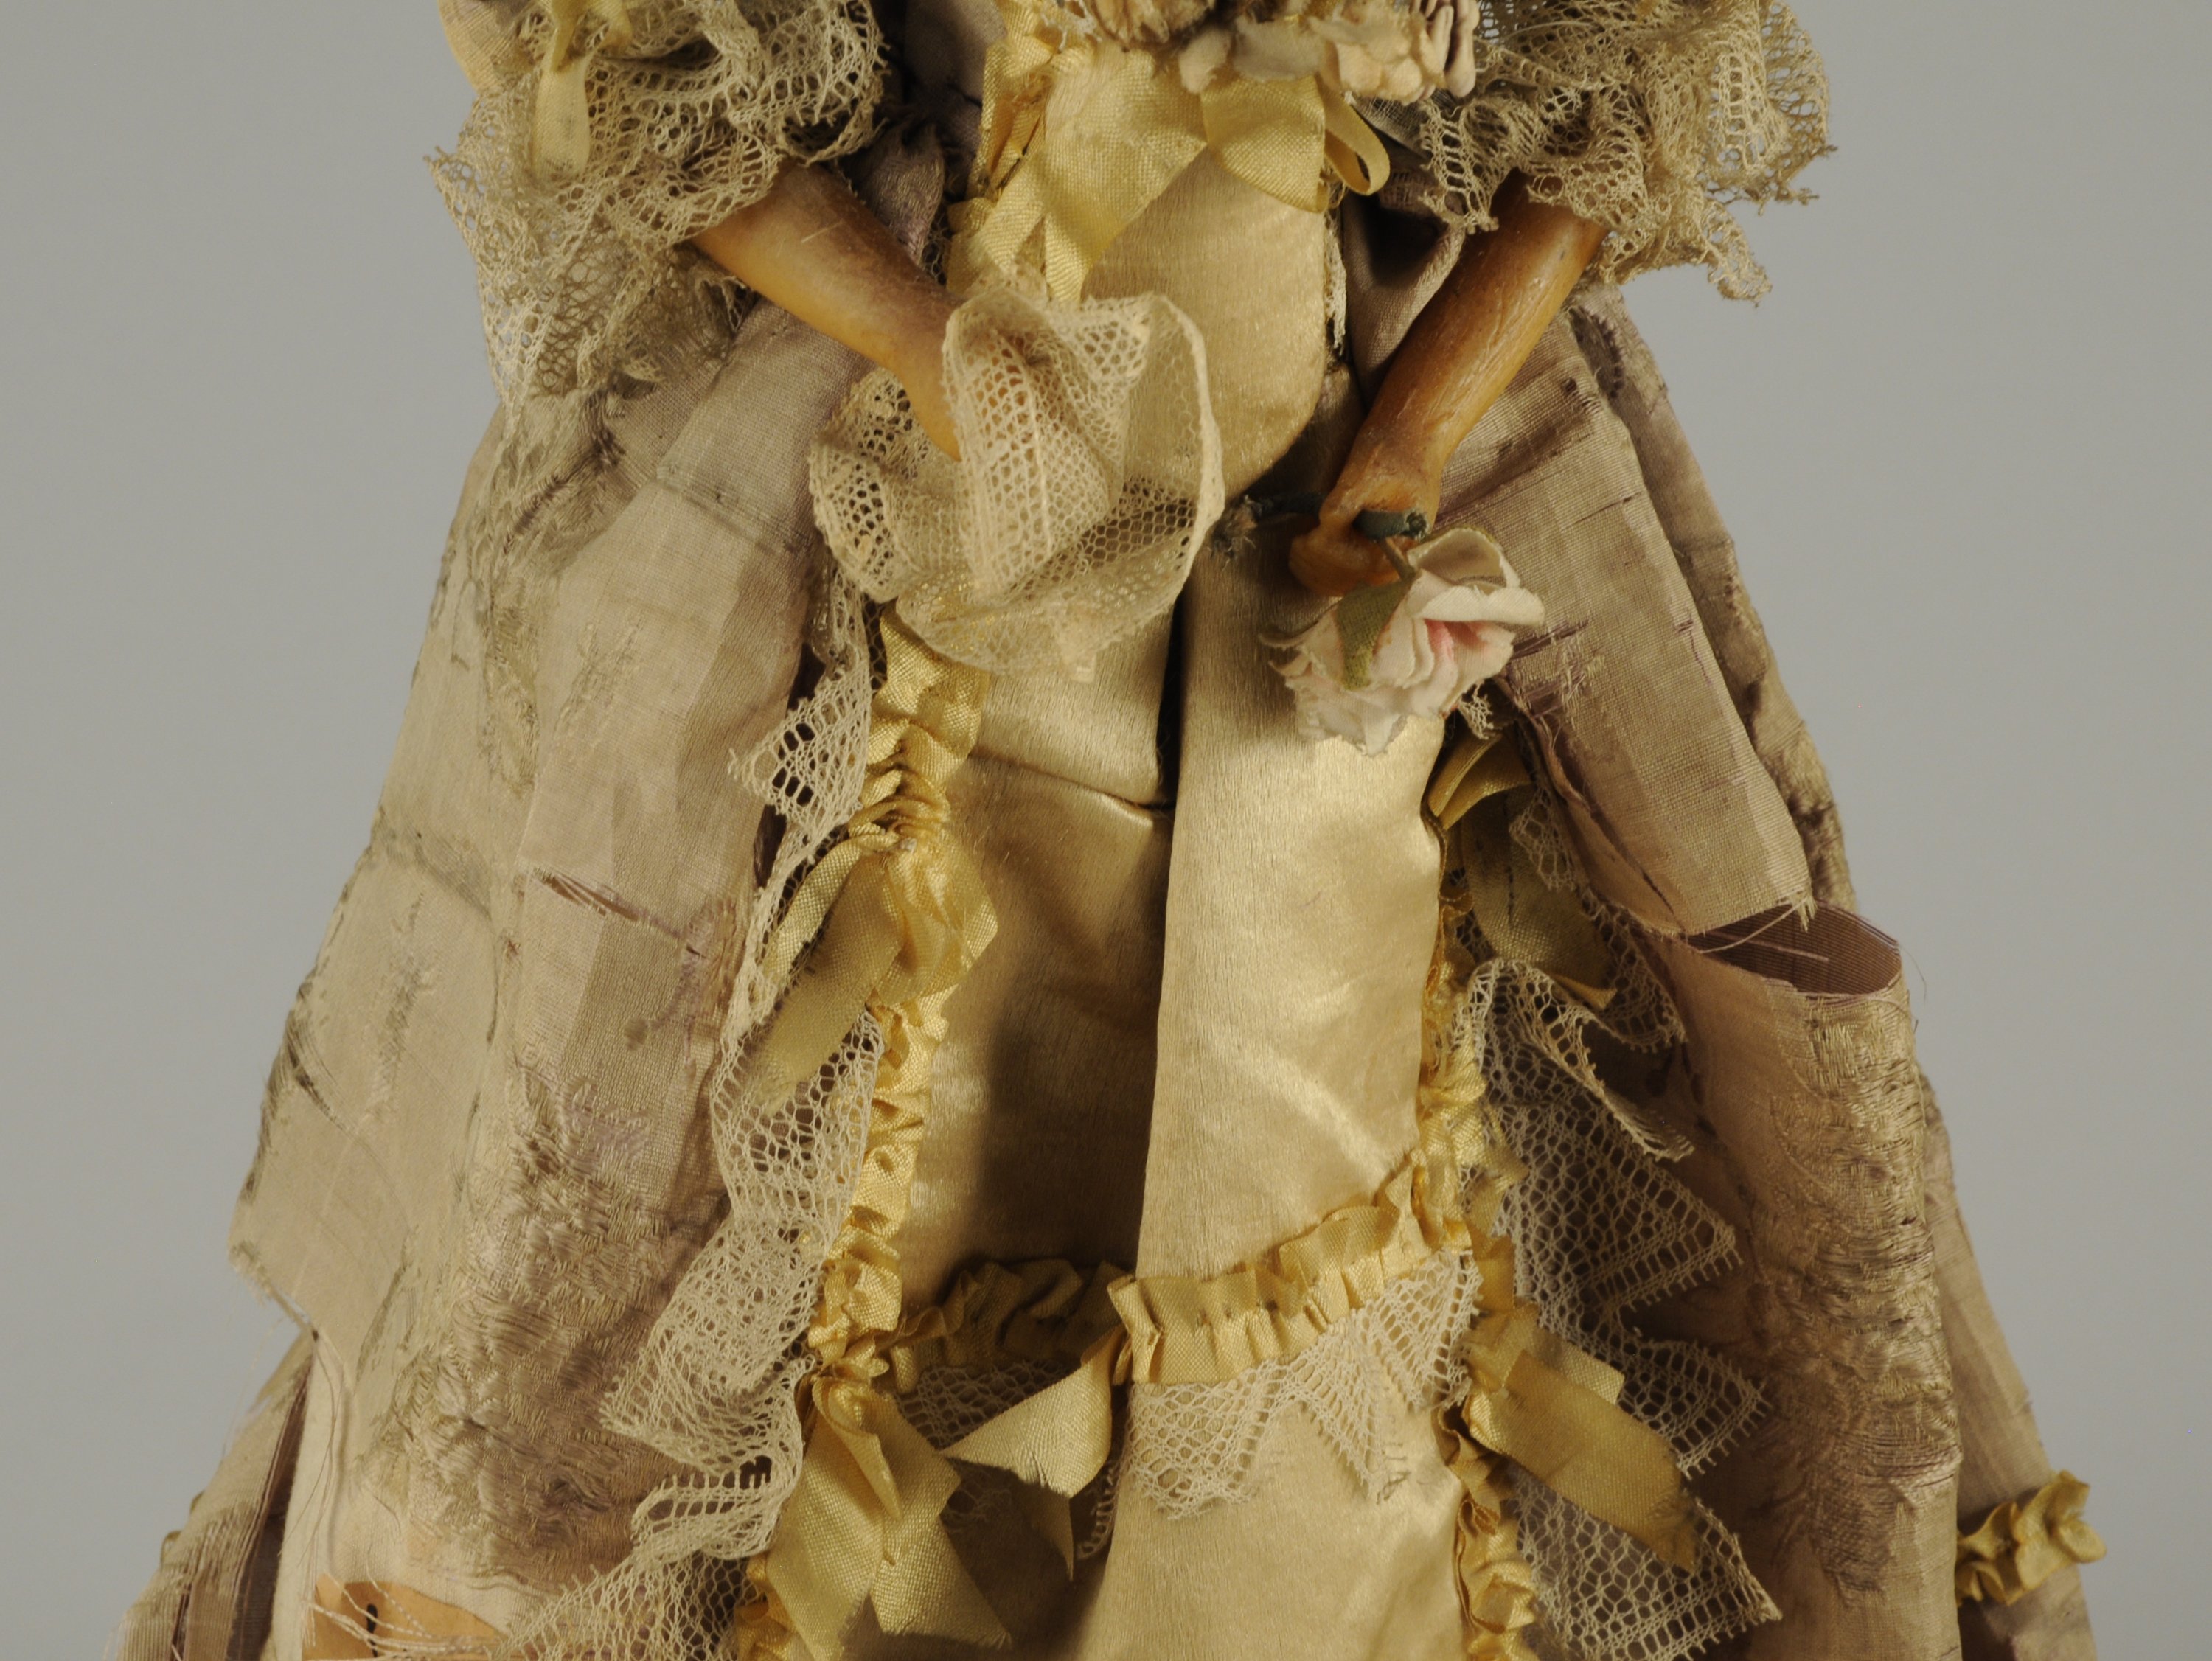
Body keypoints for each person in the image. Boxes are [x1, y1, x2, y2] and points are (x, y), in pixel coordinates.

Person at [119, 0, 2106, 1656]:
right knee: (762, 1175)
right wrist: (946, 362)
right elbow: (631, 81)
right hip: (930, 528)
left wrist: (1411, 444)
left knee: (1399, 1151)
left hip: (1324, 539)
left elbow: (1617, 88)